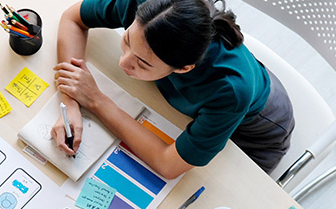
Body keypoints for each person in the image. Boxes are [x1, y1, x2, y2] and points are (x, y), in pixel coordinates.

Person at [53, 0, 295, 178]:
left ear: (183, 69)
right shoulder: (152, 9)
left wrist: (96, 100)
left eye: (143, 63)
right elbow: (73, 18)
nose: (123, 62)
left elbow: (168, 165)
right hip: (199, 107)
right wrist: (70, 101)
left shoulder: (230, 90)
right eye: (127, 40)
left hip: (257, 134)